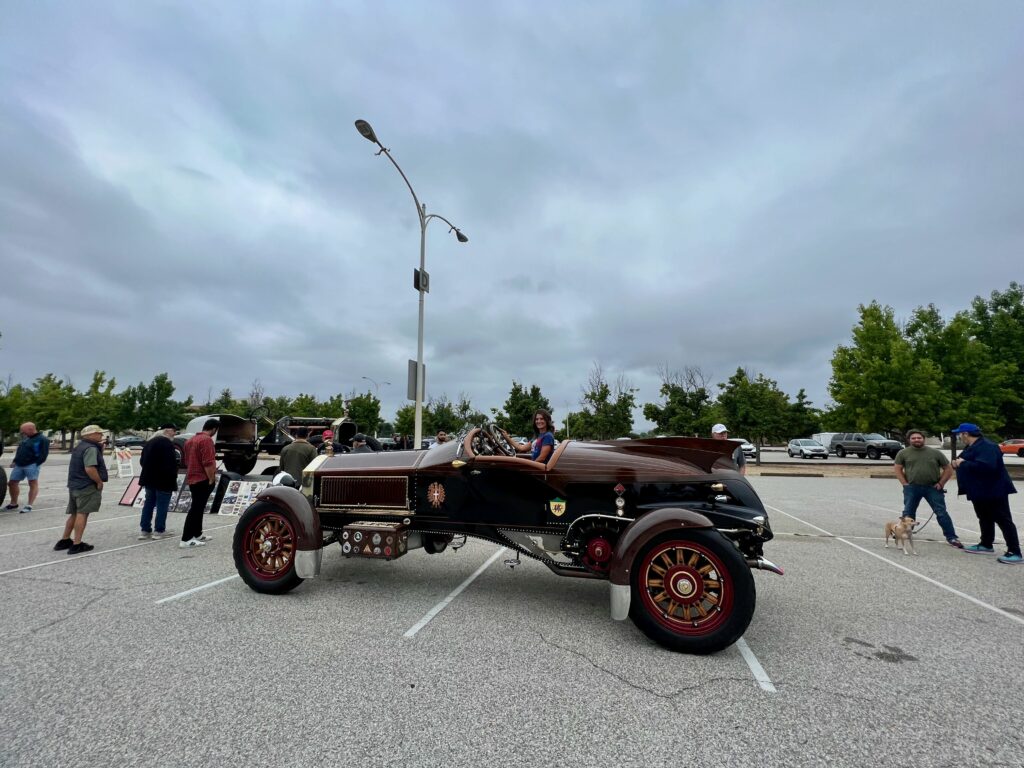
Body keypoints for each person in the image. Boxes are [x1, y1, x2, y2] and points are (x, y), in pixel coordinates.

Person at [950, 422, 1021, 564]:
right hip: (978, 490)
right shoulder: (972, 446)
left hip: (993, 489)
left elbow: (988, 467)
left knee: (1003, 520)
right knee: (984, 517)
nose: (959, 437)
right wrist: (956, 463)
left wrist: (963, 463)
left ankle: (1015, 552)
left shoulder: (988, 446)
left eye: (960, 434)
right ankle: (986, 544)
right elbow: (964, 460)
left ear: (965, 434)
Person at [893, 429, 962, 548]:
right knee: (908, 512)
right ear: (909, 440)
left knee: (941, 513)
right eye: (913, 438)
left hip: (932, 488)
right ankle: (904, 532)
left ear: (923, 439)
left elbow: (948, 469)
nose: (916, 440)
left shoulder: (935, 453)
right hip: (912, 487)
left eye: (919, 438)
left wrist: (941, 483)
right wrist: (904, 483)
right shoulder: (903, 453)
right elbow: (898, 469)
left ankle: (952, 537)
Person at [54, 424, 107, 554]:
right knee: (82, 513)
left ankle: (65, 539)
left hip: (74, 484)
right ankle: (77, 544)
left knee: (74, 513)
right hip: (86, 485)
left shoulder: (80, 446)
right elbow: (90, 468)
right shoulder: (91, 448)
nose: (101, 435)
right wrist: (98, 481)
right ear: (90, 435)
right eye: (99, 433)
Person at [180, 418, 218, 549]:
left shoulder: (189, 441)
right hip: (202, 479)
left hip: (192, 477)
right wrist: (212, 479)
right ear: (213, 429)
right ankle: (186, 538)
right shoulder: (207, 440)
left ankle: (197, 533)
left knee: (199, 507)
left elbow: (185, 461)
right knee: (196, 508)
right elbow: (208, 462)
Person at [138, 424, 179, 540]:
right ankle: (159, 530)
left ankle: (145, 530)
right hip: (163, 480)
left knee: (148, 504)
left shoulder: (149, 442)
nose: (175, 433)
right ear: (166, 431)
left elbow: (142, 461)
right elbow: (170, 463)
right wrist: (173, 477)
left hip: (149, 479)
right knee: (162, 505)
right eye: (173, 431)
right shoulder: (167, 443)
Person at [6, 422, 50, 513]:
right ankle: (13, 503)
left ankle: (29, 505)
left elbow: (44, 455)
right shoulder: (26, 438)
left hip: (32, 464)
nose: (22, 432)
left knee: (32, 483)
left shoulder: (43, 439)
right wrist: (15, 461)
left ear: (30, 429)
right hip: (19, 464)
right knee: (12, 483)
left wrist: (36, 464)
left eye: (23, 431)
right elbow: (20, 450)